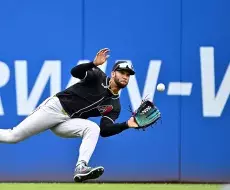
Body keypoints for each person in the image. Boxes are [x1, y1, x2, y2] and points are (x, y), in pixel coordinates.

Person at [0, 48, 139, 182]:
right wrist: (93, 64)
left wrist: (127, 125)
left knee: (93, 128)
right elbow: (75, 72)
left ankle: (81, 167)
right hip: (55, 108)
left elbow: (105, 129)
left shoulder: (114, 105)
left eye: (128, 75)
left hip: (68, 121)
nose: (125, 77)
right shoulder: (98, 77)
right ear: (113, 73)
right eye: (122, 72)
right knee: (13, 136)